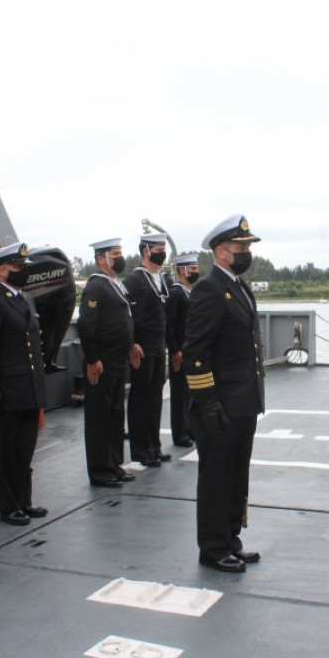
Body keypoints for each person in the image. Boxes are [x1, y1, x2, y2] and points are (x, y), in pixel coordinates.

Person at [183, 215, 264, 573]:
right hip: (219, 405)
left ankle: (231, 538)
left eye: (247, 246)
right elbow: (196, 351)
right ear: (221, 251)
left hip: (243, 402)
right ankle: (213, 548)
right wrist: (208, 402)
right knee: (216, 476)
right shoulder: (209, 289)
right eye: (240, 247)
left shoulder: (239, 287)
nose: (246, 252)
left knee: (236, 474)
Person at [0, 242, 48, 526]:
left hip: (28, 388)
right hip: (6, 389)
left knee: (24, 450)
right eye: (19, 267)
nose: (24, 272)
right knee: (4, 451)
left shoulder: (24, 298)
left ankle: (24, 501)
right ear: (2, 271)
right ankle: (8, 506)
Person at [77, 238, 140, 487]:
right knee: (99, 419)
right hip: (101, 364)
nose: (120, 257)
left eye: (120, 253)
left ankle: (114, 463)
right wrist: (92, 359)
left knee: (115, 415)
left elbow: (122, 319)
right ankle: (100, 470)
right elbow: (86, 324)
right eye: (115, 254)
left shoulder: (116, 285)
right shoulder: (96, 287)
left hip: (117, 361)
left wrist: (131, 344)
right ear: (101, 259)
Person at [124, 233, 170, 467]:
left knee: (154, 398)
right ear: (145, 251)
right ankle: (141, 449)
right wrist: (132, 343)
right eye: (158, 248)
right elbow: (127, 315)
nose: (162, 252)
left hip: (158, 345)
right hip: (142, 346)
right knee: (140, 398)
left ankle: (154, 445)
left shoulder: (161, 278)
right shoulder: (134, 279)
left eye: (163, 247)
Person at [166, 253, 200, 448]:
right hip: (180, 351)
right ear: (181, 271)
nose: (195, 272)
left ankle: (191, 428)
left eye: (196, 269)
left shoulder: (191, 292)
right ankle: (180, 434)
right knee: (180, 395)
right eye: (192, 269)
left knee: (192, 393)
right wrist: (174, 350)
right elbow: (169, 325)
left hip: (192, 351)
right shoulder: (176, 293)